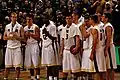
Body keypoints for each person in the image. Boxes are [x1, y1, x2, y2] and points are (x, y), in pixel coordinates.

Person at [3, 12, 24, 80]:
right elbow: (4, 38)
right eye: (13, 17)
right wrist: (9, 37)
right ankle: (5, 78)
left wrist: (16, 37)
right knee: (7, 66)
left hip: (17, 47)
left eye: (15, 17)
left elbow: (23, 38)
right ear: (10, 18)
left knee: (17, 66)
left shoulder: (20, 26)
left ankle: (17, 78)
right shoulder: (7, 26)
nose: (14, 18)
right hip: (9, 47)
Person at [60, 12, 81, 80]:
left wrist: (77, 47)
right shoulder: (63, 28)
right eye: (67, 18)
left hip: (72, 50)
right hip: (66, 51)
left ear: (72, 19)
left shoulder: (75, 27)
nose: (68, 20)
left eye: (69, 18)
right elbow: (63, 41)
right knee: (65, 70)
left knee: (75, 70)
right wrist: (61, 51)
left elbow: (77, 38)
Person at [40, 13, 59, 80]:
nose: (44, 19)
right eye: (43, 18)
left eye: (46, 18)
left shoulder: (52, 26)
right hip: (45, 47)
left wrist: (47, 33)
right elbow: (41, 38)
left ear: (48, 18)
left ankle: (55, 77)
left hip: (51, 46)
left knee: (53, 64)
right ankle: (50, 77)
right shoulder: (43, 27)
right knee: (48, 65)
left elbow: (54, 38)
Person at [89, 15, 106, 80]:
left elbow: (94, 42)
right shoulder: (100, 27)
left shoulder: (94, 29)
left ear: (92, 20)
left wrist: (92, 53)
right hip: (101, 49)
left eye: (90, 19)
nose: (89, 21)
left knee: (97, 71)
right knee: (101, 70)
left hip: (97, 51)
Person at [24, 14, 40, 80]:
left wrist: (30, 34)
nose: (28, 21)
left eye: (29, 19)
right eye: (27, 19)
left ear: (32, 20)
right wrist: (26, 36)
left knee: (36, 63)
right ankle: (32, 77)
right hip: (28, 45)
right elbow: (24, 39)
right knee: (29, 63)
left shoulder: (35, 27)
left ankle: (38, 77)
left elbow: (38, 38)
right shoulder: (24, 28)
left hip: (34, 45)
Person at [101, 13, 117, 80]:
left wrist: (106, 49)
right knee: (107, 66)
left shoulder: (108, 26)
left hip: (109, 47)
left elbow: (108, 38)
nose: (102, 17)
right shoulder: (104, 25)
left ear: (106, 18)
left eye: (103, 16)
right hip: (107, 47)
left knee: (111, 66)